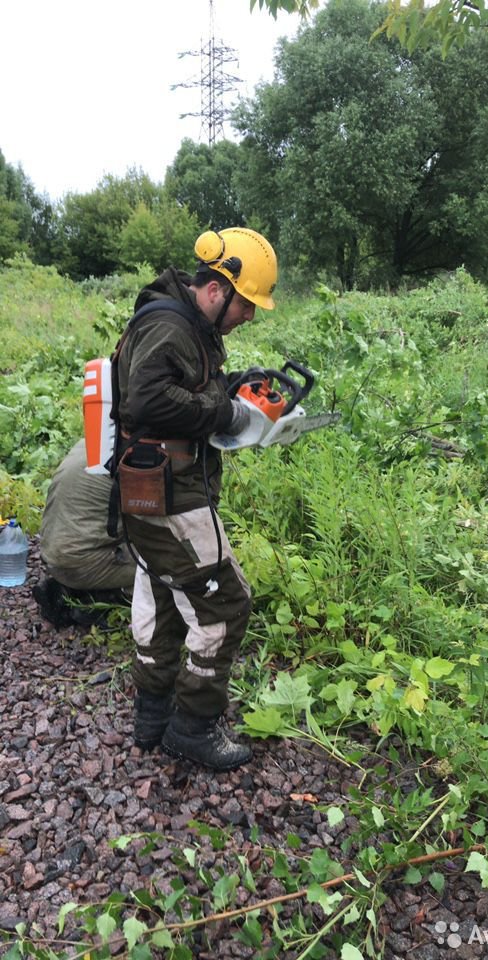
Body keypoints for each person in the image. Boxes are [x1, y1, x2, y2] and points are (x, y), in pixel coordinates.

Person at [116, 227, 278, 771]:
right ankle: (194, 727)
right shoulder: (170, 324)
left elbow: (181, 388)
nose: (249, 317)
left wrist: (229, 389)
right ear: (218, 289)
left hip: (157, 489)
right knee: (225, 604)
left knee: (164, 598)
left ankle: (152, 717)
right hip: (169, 492)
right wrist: (227, 412)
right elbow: (149, 398)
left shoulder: (185, 323)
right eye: (247, 305)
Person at [33, 439, 135, 628]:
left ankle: (74, 591)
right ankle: (101, 600)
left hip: (52, 555)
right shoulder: (135, 456)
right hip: (82, 563)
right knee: (168, 563)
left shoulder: (92, 438)